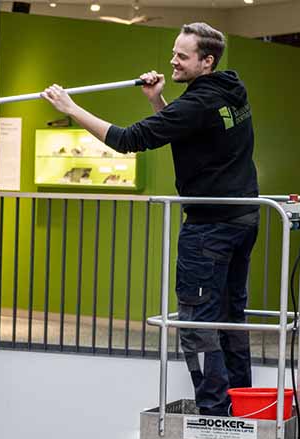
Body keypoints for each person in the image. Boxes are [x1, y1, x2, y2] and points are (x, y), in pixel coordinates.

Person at [42, 22, 259, 416]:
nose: (172, 61)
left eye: (182, 56)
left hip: (210, 228)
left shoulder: (197, 103)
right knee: (229, 315)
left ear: (207, 61)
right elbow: (190, 131)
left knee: (197, 323)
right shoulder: (231, 90)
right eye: (174, 53)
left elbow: (128, 141)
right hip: (242, 219)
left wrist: (71, 109)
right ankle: (240, 402)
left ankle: (214, 409)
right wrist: (157, 100)